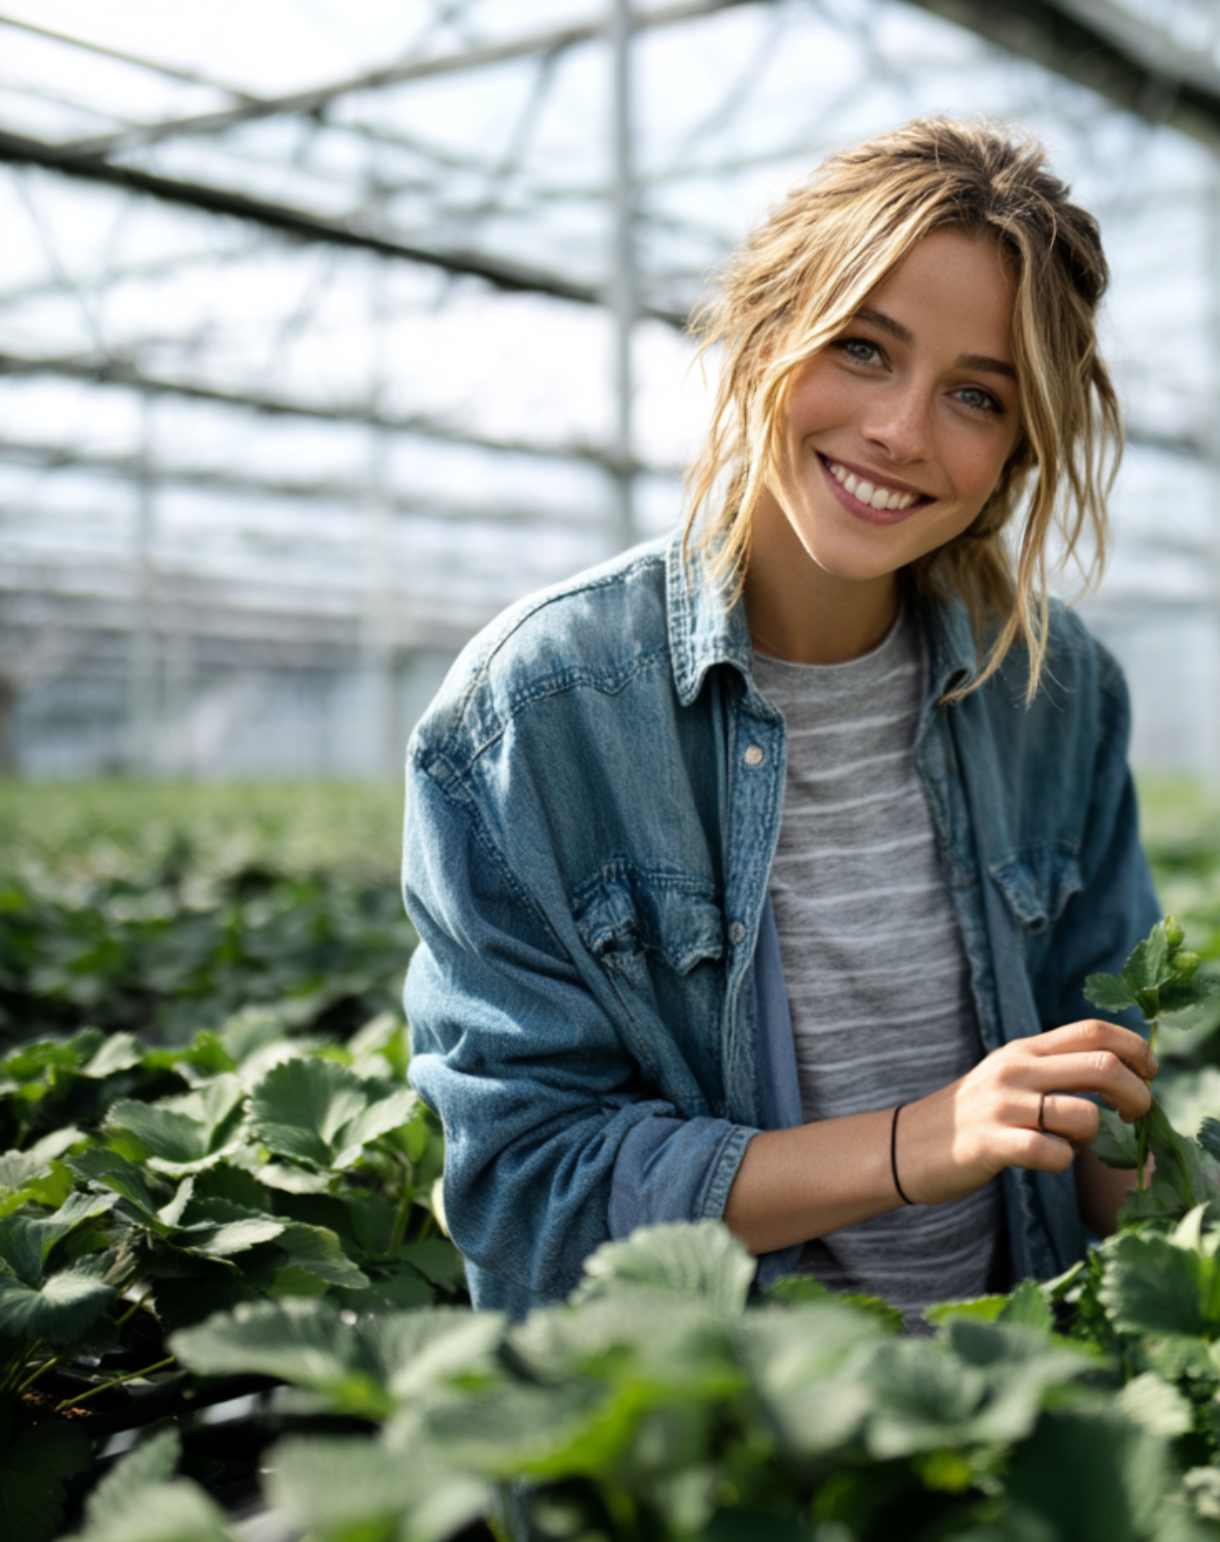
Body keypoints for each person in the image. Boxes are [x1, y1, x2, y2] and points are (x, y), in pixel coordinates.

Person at [401, 118, 1162, 1322]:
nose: (900, 431)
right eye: (862, 349)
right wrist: (920, 1142)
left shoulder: (1052, 692)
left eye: (975, 395)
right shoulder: (538, 709)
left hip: (1019, 1416)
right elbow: (524, 1187)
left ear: (1015, 455)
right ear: (763, 335)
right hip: (717, 1440)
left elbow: (1099, 1096)